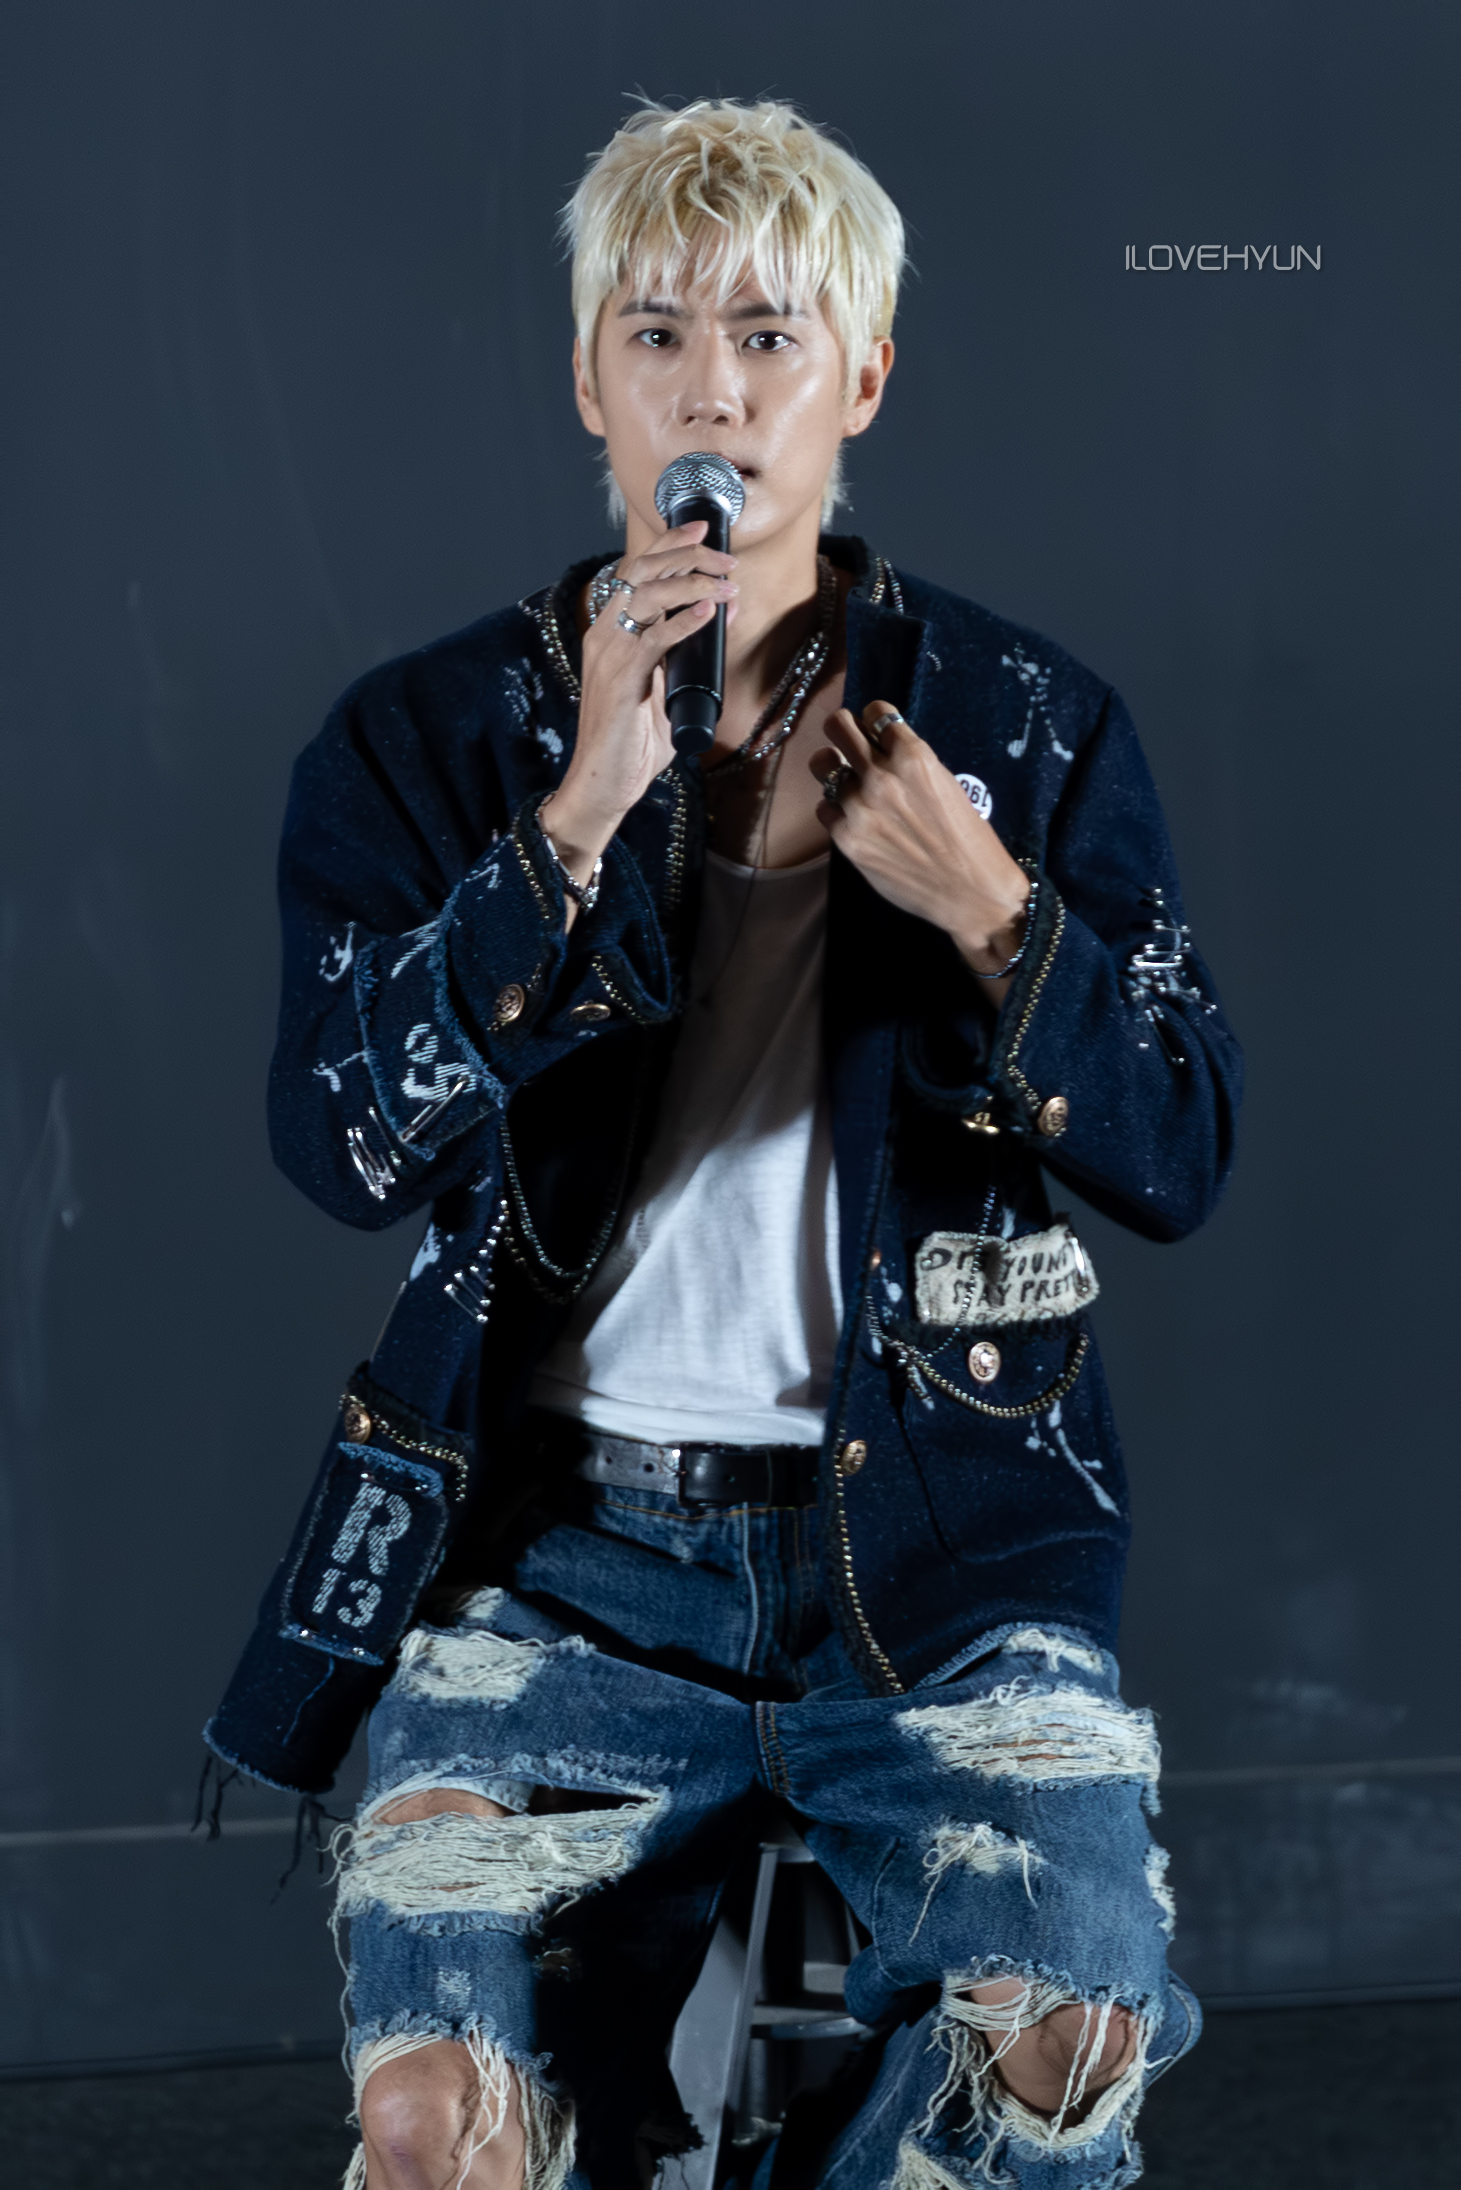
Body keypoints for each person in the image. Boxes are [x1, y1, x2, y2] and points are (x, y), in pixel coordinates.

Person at [206, 98, 1241, 2190]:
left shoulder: (1025, 727)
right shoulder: (427, 740)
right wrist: (563, 835)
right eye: (659, 335)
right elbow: (336, 1140)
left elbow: (1179, 1146)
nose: (714, 390)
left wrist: (989, 909)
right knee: (429, 2123)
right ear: (590, 384)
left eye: (769, 336)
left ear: (860, 380)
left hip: (943, 1560)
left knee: (1057, 2047)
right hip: (562, 1564)